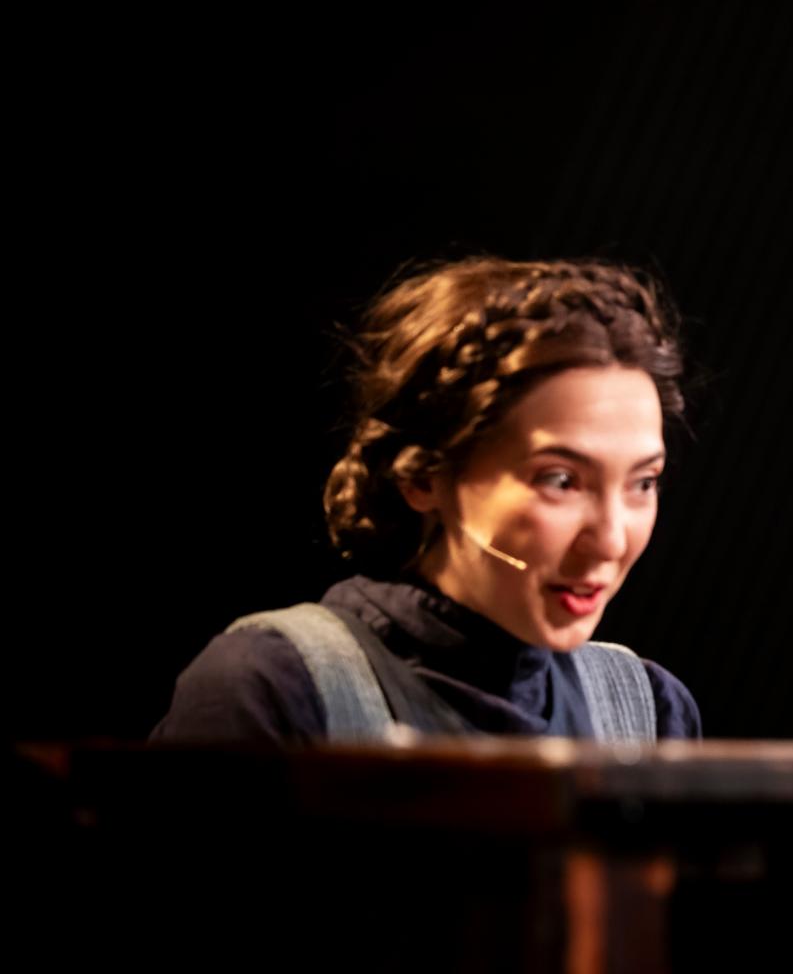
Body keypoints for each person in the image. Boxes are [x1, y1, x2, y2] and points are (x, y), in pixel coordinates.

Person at [154, 257, 701, 743]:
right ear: (421, 477)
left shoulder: (651, 713)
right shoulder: (272, 691)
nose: (610, 541)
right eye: (560, 480)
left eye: (642, 483)